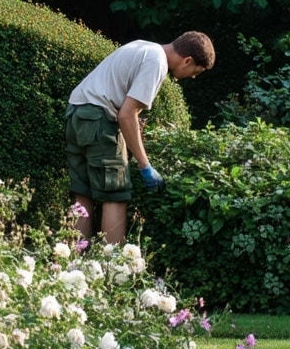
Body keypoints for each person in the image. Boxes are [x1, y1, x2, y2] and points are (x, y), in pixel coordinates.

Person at [66, 31, 215, 245]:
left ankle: (71, 265)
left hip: (76, 114)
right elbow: (126, 114)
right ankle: (113, 268)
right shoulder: (157, 63)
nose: (192, 77)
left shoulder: (143, 46)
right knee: (115, 194)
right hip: (98, 118)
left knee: (83, 194)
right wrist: (145, 165)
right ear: (187, 60)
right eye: (195, 71)